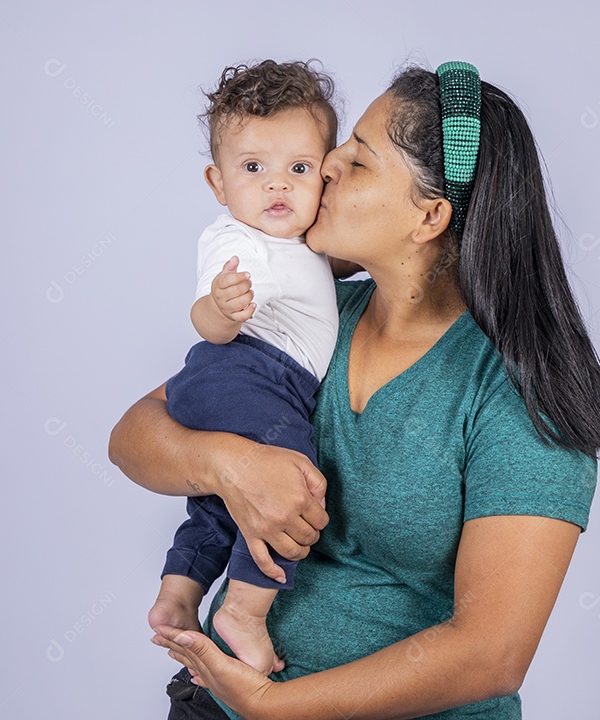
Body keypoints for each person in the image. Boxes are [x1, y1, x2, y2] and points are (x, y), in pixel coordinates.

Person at [110, 60, 600, 719]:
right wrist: (232, 464)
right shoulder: (319, 317)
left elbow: (491, 654)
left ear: (429, 217)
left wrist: (279, 706)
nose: (323, 165)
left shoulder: (516, 394)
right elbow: (136, 434)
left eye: (357, 162)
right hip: (216, 705)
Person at [152, 60, 352, 676]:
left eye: (299, 170)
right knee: (289, 474)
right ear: (217, 183)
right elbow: (209, 319)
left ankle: (179, 592)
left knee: (219, 503)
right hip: (247, 371)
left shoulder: (300, 246)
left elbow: (327, 269)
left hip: (249, 382)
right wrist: (219, 308)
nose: (277, 188)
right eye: (252, 169)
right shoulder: (237, 243)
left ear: (326, 175)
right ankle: (244, 610)